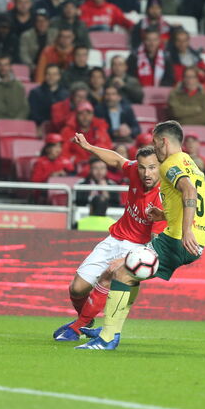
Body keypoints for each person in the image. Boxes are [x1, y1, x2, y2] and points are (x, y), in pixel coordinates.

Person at [76, 120, 205, 350]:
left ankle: (107, 336)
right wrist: (163, 214)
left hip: (177, 239)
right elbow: (188, 199)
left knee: (120, 273)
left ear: (164, 141)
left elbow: (189, 191)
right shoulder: (192, 164)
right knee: (129, 275)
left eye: (156, 143)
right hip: (198, 240)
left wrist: (186, 230)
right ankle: (110, 329)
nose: (154, 148)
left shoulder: (169, 164)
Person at [54, 133, 163, 340]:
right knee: (77, 289)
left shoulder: (163, 198)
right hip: (114, 239)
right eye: (142, 167)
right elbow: (117, 160)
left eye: (152, 167)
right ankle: (86, 319)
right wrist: (87, 146)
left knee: (107, 277)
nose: (146, 173)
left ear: (160, 167)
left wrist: (132, 259)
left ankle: (77, 328)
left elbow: (156, 241)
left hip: (136, 249)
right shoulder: (134, 173)